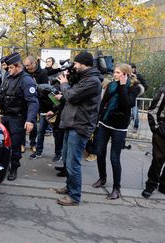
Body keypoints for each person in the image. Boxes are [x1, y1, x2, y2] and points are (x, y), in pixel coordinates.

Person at [54, 51, 102, 206]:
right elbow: (73, 96)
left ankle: (75, 196)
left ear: (83, 64)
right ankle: (69, 187)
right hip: (72, 123)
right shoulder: (84, 78)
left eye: (76, 63)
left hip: (80, 125)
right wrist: (68, 80)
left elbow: (72, 96)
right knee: (68, 160)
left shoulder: (93, 81)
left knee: (73, 163)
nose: (74, 66)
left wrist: (64, 84)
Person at [92, 63, 142, 199]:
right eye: (115, 72)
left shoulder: (134, 88)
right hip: (105, 123)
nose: (114, 75)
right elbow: (103, 103)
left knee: (114, 157)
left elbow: (126, 103)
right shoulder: (112, 84)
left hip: (119, 127)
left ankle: (116, 188)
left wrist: (122, 85)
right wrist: (98, 119)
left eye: (118, 73)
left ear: (126, 74)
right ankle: (102, 178)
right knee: (100, 153)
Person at [0, 52, 39, 181]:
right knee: (4, 144)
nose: (8, 70)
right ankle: (4, 165)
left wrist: (30, 120)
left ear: (18, 66)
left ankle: (14, 168)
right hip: (6, 117)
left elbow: (33, 102)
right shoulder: (9, 77)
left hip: (17, 118)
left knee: (15, 145)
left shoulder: (26, 80)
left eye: (10, 68)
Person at [141, 86, 165, 199]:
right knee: (158, 159)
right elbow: (152, 111)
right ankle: (151, 185)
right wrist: (157, 128)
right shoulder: (163, 91)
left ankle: (163, 184)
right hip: (162, 131)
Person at [130, 63, 148, 132]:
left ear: (134, 69)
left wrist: (137, 81)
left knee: (135, 113)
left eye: (131, 68)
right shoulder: (126, 76)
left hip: (136, 98)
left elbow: (145, 86)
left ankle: (135, 127)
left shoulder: (139, 76)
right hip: (128, 97)